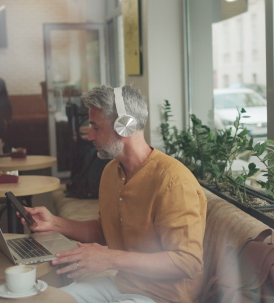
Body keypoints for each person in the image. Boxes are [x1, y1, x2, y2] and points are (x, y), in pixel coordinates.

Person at [21, 85, 207, 303]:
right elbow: (105, 229)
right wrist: (54, 223)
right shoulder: (112, 171)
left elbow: (188, 262)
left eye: (96, 127)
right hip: (124, 284)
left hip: (163, 296)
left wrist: (110, 259)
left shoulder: (173, 181)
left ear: (125, 126)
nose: (89, 136)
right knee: (47, 300)